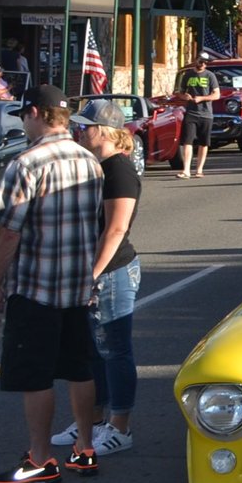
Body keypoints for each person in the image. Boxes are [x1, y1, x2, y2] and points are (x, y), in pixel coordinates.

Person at [0, 85, 106, 483]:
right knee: (79, 366)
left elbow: (9, 233)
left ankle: (39, 458)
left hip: (37, 285)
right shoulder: (89, 161)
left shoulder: (27, 163)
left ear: (36, 112)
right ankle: (85, 447)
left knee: (35, 374)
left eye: (24, 115)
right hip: (78, 285)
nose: (24, 122)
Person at [51, 100, 139, 455]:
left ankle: (120, 427)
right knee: (93, 351)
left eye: (85, 126)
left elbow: (116, 229)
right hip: (95, 269)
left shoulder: (119, 170)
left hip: (114, 270)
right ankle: (93, 420)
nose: (79, 131)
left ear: (104, 131)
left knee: (116, 350)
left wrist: (92, 274)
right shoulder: (98, 167)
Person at [175, 50, 218, 179]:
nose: (203, 64)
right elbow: (179, 92)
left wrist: (202, 98)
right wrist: (185, 96)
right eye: (201, 61)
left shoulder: (210, 76)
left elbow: (217, 94)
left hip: (206, 114)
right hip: (191, 112)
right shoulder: (188, 75)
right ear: (196, 60)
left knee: (203, 143)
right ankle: (186, 170)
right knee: (188, 141)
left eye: (205, 62)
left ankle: (199, 169)